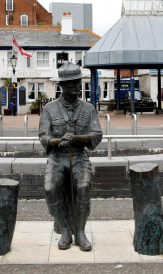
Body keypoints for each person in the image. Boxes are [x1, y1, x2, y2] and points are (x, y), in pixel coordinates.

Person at [39, 62, 103, 251]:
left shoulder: (88, 108)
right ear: (62, 86)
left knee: (83, 186)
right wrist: (57, 141)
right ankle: (65, 230)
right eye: (72, 83)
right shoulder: (49, 109)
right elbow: (44, 136)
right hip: (57, 157)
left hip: (79, 156)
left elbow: (96, 134)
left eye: (78, 82)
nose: (77, 86)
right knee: (50, 188)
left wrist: (78, 138)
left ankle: (80, 231)